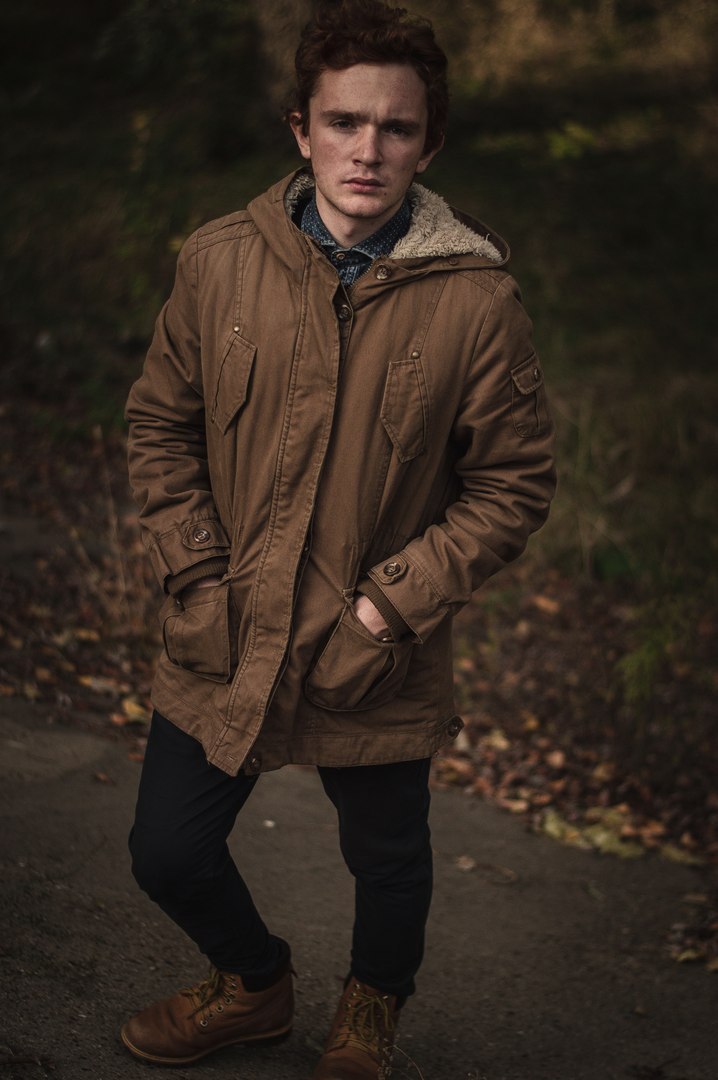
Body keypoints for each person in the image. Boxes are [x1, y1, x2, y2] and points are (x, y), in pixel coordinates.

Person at [121, 1, 556, 1076]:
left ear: (429, 143)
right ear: (300, 128)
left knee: (388, 856)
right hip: (226, 624)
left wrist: (389, 606)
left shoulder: (477, 301)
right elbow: (160, 425)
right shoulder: (219, 261)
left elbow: (512, 485)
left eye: (396, 127)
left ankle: (371, 1008)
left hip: (374, 646)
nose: (368, 150)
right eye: (344, 122)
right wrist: (196, 571)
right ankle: (253, 985)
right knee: (166, 850)